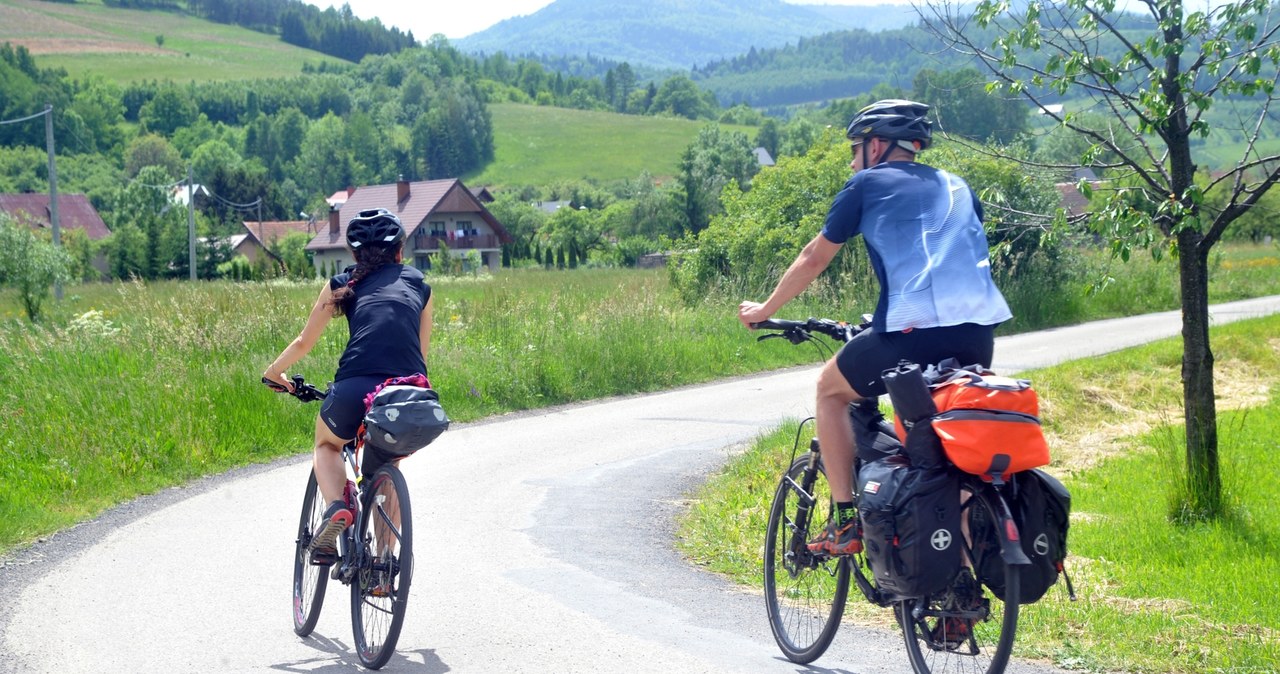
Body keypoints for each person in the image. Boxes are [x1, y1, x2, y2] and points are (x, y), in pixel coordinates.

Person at [738, 99, 1011, 556]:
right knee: (947, 447)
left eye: (856, 148)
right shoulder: (958, 186)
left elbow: (815, 257)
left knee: (829, 390)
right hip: (978, 335)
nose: (852, 159)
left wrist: (765, 307)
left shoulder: (864, 184)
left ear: (878, 145)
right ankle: (959, 589)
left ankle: (845, 521)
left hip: (909, 332)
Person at [264, 207, 434, 561]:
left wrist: (274, 373)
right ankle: (385, 564)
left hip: (355, 386)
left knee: (326, 445)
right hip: (407, 393)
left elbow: (303, 343)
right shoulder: (420, 284)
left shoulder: (342, 284)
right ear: (401, 250)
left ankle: (337, 509)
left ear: (354, 254)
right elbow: (421, 355)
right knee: (385, 467)